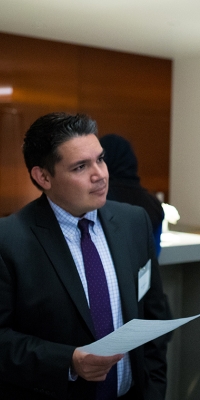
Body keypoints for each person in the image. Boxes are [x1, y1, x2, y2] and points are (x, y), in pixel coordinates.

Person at [0, 112, 171, 400]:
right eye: (81, 167)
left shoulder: (133, 222)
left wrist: (153, 389)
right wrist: (68, 362)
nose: (100, 175)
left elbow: (154, 314)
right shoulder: (10, 240)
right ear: (43, 176)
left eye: (100, 159)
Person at [99, 133, 165, 257]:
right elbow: (155, 252)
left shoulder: (101, 199)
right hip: (145, 273)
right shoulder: (153, 203)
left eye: (99, 160)